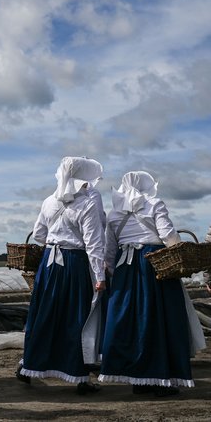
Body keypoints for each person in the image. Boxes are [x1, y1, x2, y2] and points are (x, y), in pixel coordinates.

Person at [98, 171, 206, 397]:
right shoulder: (155, 204)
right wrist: (180, 252)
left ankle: (138, 378)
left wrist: (111, 273)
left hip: (124, 267)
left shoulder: (115, 213)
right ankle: (159, 379)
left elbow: (109, 250)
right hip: (154, 266)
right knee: (157, 319)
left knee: (130, 322)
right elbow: (168, 236)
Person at [16, 156, 106, 394]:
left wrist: (54, 244)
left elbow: (38, 234)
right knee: (75, 318)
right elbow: (94, 244)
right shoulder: (87, 204)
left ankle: (29, 365)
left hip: (49, 264)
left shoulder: (49, 201)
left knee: (43, 315)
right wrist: (100, 275)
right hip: (74, 264)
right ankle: (80, 377)